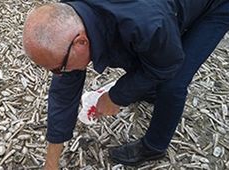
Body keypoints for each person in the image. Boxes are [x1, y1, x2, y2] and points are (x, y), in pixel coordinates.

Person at [23, 0, 229, 169]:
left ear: (81, 42)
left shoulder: (147, 24)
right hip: (161, 16)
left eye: (59, 68)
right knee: (146, 56)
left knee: (172, 83)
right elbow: (63, 94)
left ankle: (154, 146)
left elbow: (167, 66)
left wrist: (116, 96)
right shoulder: (71, 20)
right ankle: (149, 89)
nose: (59, 74)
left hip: (214, 6)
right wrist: (51, 164)